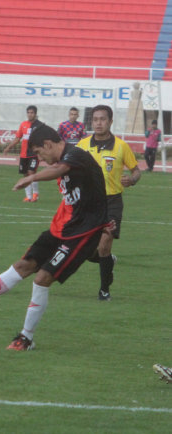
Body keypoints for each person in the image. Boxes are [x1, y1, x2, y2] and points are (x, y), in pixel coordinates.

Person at [0, 124, 109, 351]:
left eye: (39, 152)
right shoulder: (64, 159)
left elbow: (59, 170)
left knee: (42, 278)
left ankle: (26, 338)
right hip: (62, 228)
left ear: (48, 144)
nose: (39, 158)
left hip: (82, 233)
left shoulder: (75, 154)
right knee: (22, 265)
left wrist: (31, 178)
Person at [77, 105, 141, 301]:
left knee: (105, 243)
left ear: (110, 121)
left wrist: (133, 179)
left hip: (112, 200)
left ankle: (104, 290)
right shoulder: (83, 145)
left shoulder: (121, 146)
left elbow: (136, 170)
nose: (98, 123)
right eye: (95, 119)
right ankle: (108, 261)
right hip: (89, 202)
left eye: (102, 119)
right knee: (87, 251)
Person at [3, 105, 43, 202]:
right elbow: (18, 138)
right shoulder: (23, 124)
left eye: (32, 112)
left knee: (31, 173)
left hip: (34, 154)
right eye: (28, 112)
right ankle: (28, 197)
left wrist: (41, 154)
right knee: (25, 175)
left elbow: (43, 140)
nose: (30, 114)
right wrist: (9, 147)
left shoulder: (40, 126)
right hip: (24, 154)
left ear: (35, 114)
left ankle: (35, 194)